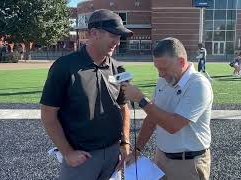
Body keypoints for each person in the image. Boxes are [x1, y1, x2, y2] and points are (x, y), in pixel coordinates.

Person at [40, 9, 133, 180]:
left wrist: (125, 142)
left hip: (113, 156)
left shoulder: (118, 68)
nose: (117, 42)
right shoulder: (64, 67)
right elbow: (47, 113)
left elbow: (123, 108)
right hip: (82, 158)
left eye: (120, 36)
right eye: (113, 35)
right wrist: (67, 152)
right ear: (93, 33)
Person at [122, 37, 213, 180]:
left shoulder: (198, 85)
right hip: (161, 157)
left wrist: (141, 100)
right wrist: (137, 150)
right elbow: (152, 118)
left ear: (181, 62)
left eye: (163, 68)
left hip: (187, 163)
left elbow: (173, 125)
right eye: (157, 68)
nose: (160, 74)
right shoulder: (164, 81)